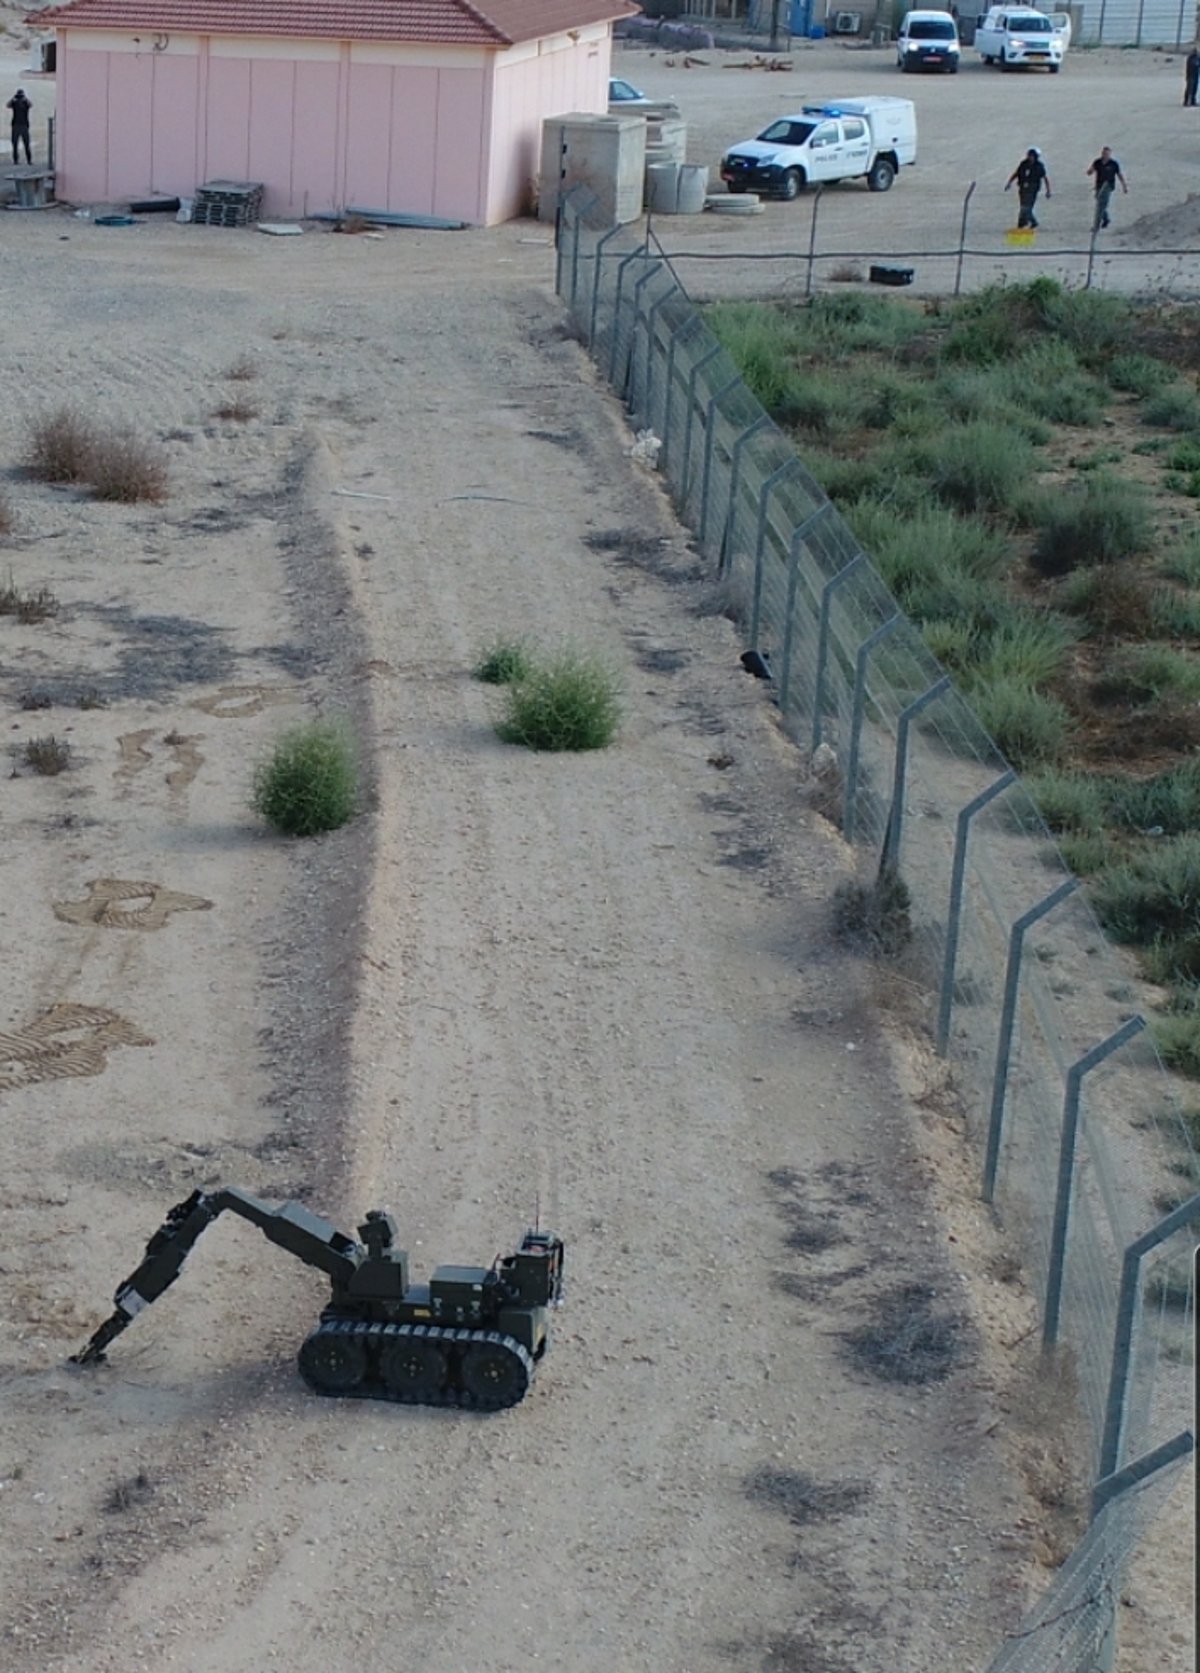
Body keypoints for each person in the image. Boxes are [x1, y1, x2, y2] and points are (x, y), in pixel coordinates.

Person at [1005, 147, 1051, 230]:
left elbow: (1045, 178)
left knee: (1026, 208)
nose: (1030, 158)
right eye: (1029, 156)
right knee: (1023, 206)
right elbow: (1016, 173)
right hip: (1023, 188)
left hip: (1032, 189)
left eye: (1032, 156)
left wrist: (1048, 191)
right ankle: (1021, 224)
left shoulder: (1039, 166)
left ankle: (1033, 222)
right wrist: (1009, 183)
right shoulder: (1024, 164)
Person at [1087, 146, 1127, 231]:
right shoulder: (1097, 162)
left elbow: (1119, 175)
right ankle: (1106, 219)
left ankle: (1097, 225)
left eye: (1107, 154)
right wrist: (1089, 171)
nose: (1105, 155)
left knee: (1101, 205)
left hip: (1108, 186)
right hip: (1099, 186)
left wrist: (1124, 185)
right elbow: (1091, 170)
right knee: (1100, 204)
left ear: (1110, 154)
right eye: (1104, 153)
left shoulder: (1113, 164)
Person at [7, 88, 31, 166]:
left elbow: (31, 105)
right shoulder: (15, 102)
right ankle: (16, 160)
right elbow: (8, 105)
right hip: (17, 125)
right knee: (15, 144)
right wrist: (13, 98)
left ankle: (29, 160)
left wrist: (25, 98)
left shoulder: (25, 103)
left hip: (23, 125)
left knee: (26, 144)